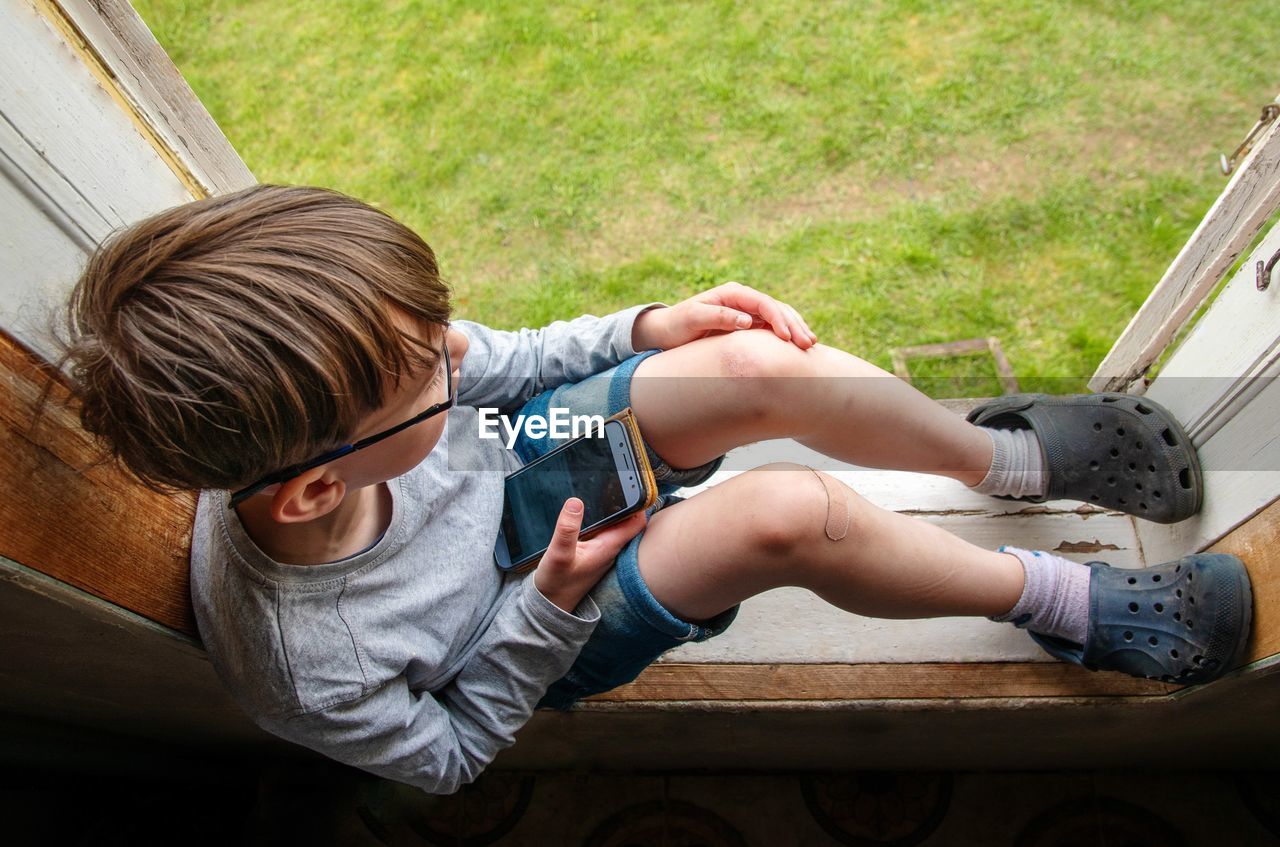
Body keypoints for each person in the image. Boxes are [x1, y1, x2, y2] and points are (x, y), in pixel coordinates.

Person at [51, 184, 1253, 794]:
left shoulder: (370, 398)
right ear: (310, 493)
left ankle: (1006, 459)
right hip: (529, 618)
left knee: (742, 364)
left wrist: (643, 326)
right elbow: (452, 749)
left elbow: (494, 375)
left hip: (493, 465)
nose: (457, 352)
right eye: (430, 363)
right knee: (783, 514)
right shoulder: (306, 661)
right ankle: (1070, 607)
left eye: (434, 333)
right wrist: (549, 606)